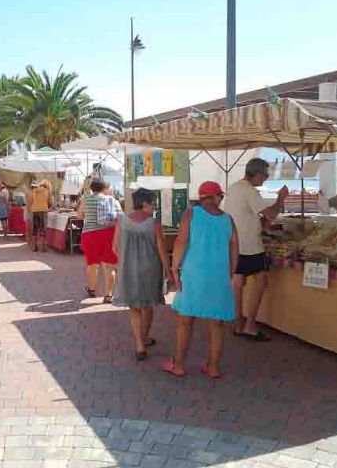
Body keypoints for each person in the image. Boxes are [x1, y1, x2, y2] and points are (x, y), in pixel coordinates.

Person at [162, 181, 238, 379]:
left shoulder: (191, 214)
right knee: (217, 322)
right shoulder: (228, 220)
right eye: (221, 196)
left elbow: (181, 242)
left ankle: (178, 365)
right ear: (215, 196)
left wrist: (174, 268)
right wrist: (230, 273)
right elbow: (234, 249)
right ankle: (213, 367)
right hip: (219, 275)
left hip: (193, 273)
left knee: (185, 320)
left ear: (202, 197)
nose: (221, 200)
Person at [224, 158, 288, 341]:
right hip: (250, 245)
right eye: (265, 175)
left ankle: (238, 323)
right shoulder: (249, 190)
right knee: (261, 281)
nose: (266, 178)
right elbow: (271, 214)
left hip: (234, 243)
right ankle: (250, 325)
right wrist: (281, 198)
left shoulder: (235, 187)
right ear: (258, 173)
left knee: (238, 284)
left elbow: (245, 214)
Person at [113, 188, 170, 361]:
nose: (154, 207)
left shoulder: (121, 221)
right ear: (144, 203)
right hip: (150, 269)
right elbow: (162, 250)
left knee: (134, 307)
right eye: (153, 203)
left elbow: (114, 247)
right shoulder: (154, 224)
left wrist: (126, 258)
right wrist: (168, 270)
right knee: (147, 305)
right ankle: (144, 338)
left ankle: (139, 344)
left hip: (128, 269)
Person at [77, 178, 122, 303]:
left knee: (92, 265)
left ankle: (91, 290)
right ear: (104, 188)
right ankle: (108, 295)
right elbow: (120, 217)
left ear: (92, 188)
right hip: (108, 234)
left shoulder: (85, 199)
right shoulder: (112, 200)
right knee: (109, 266)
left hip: (90, 235)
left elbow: (79, 216)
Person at [27, 179, 52, 252]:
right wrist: (48, 206)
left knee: (35, 229)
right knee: (43, 229)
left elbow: (30, 201)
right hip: (43, 210)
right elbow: (50, 202)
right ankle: (43, 247)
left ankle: (35, 246)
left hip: (34, 210)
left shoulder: (34, 190)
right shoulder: (47, 191)